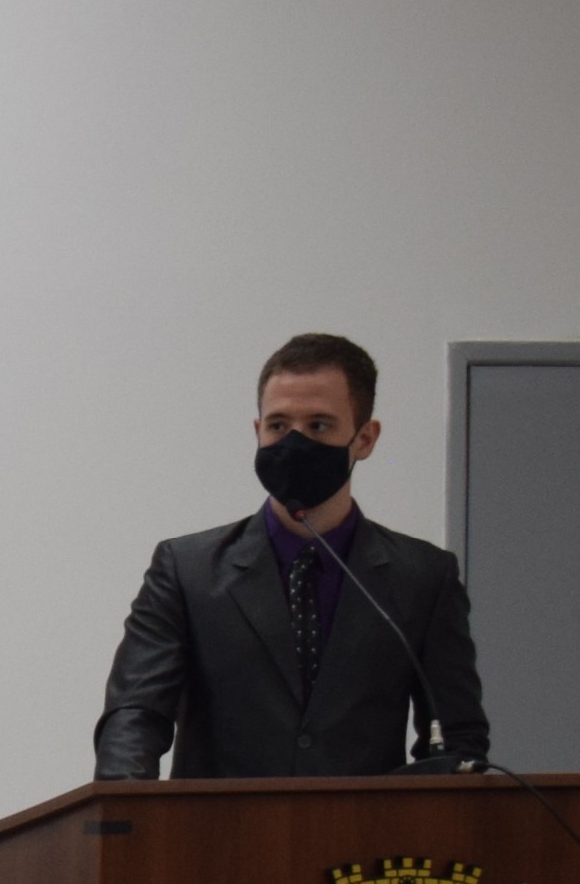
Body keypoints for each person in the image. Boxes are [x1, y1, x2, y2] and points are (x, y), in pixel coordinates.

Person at [95, 333, 490, 779]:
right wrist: (125, 806)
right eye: (278, 426)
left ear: (365, 438)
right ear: (257, 431)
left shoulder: (424, 577)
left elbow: (458, 738)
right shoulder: (186, 571)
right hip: (215, 824)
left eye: (319, 426)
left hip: (367, 826)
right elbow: (135, 715)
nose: (294, 443)